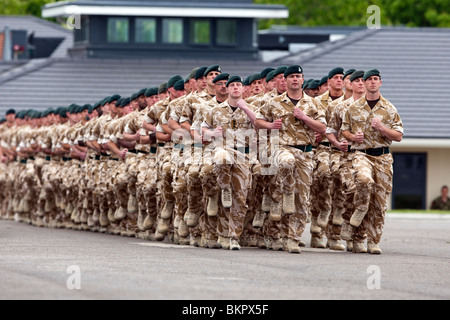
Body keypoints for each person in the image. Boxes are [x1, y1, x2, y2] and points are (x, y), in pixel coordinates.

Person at [255, 65, 326, 254]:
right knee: (286, 164)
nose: (295, 79)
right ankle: (273, 232)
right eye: (291, 76)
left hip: (305, 153)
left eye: (298, 76)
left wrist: (304, 118)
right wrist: (270, 125)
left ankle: (292, 238)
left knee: (302, 199)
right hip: (282, 149)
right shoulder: (274, 102)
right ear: (285, 81)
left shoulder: (313, 104)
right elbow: (257, 121)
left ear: (303, 80)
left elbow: (322, 128)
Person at [342, 69, 404, 254]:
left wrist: (382, 128)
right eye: (368, 80)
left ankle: (373, 241)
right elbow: (344, 130)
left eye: (375, 79)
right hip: (362, 154)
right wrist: (353, 136)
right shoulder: (353, 108)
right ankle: (359, 227)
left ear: (380, 83)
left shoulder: (389, 108)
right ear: (365, 84)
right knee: (363, 180)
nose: (372, 82)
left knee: (379, 202)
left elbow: (398, 136)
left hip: (383, 157)